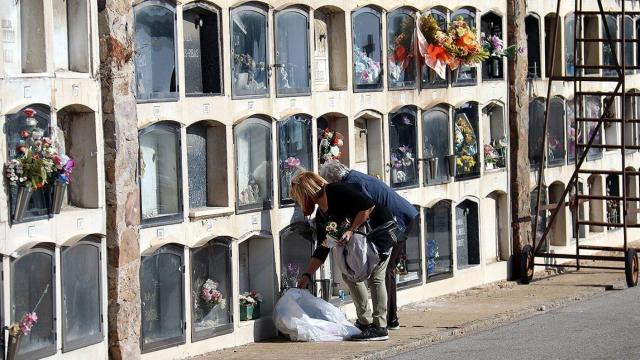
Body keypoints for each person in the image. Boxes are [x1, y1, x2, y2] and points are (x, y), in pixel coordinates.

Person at [290, 171, 394, 341]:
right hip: (361, 243)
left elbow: (367, 206)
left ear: (306, 193)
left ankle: (380, 326)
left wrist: (351, 230)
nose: (301, 204)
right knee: (350, 276)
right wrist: (307, 275)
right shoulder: (322, 216)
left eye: (299, 198)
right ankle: (365, 322)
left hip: (379, 233)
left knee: (376, 278)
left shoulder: (335, 190)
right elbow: (323, 248)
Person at [320, 160, 419, 330]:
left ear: (334, 180)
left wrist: (350, 229)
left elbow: (366, 209)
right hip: (400, 217)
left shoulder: (353, 183)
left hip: (400, 220)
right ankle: (387, 319)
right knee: (385, 271)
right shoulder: (354, 177)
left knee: (384, 270)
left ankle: (387, 320)